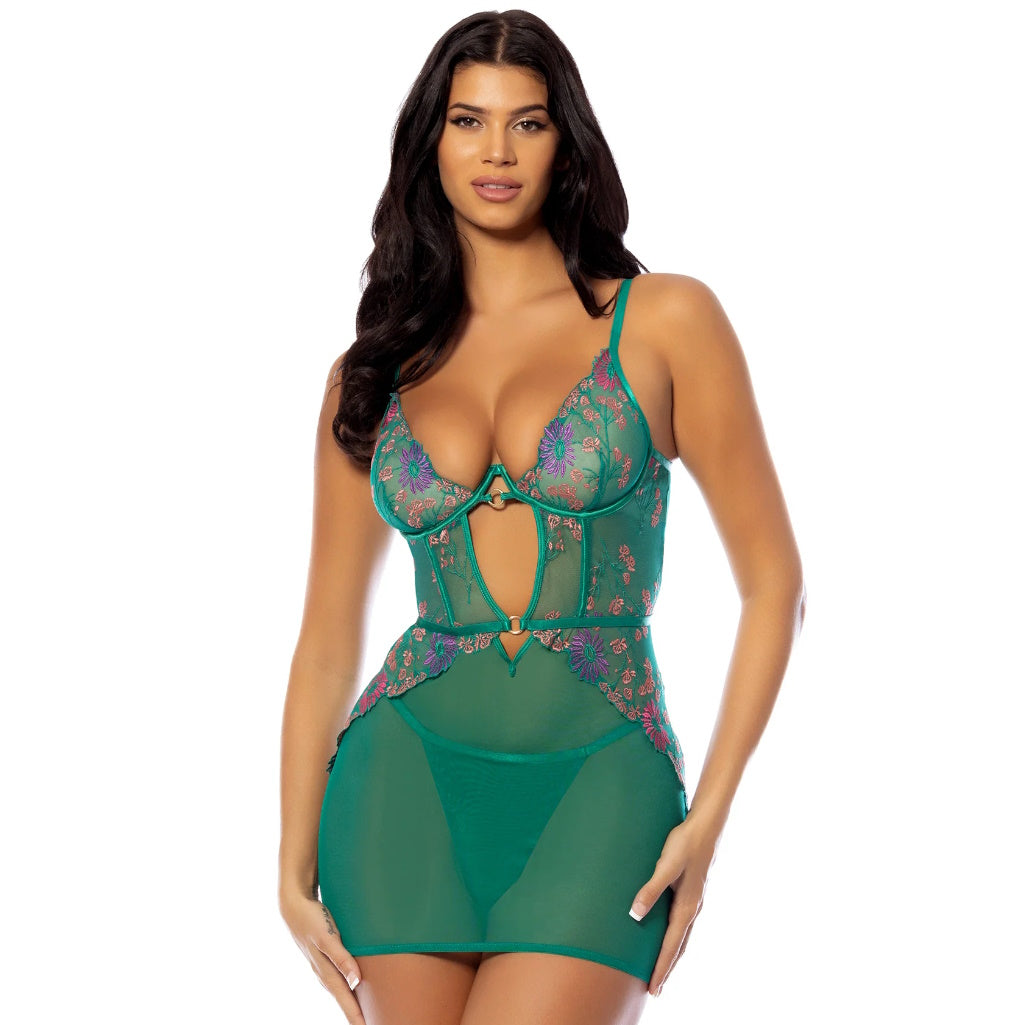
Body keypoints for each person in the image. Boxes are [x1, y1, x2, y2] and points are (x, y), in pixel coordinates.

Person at [278, 10, 806, 1025]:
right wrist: (291, 864)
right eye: (467, 121)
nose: (496, 152)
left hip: (601, 783)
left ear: (566, 142)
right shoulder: (372, 372)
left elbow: (772, 583)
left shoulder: (663, 320)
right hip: (400, 785)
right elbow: (326, 638)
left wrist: (708, 818)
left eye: (527, 122)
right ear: (429, 141)